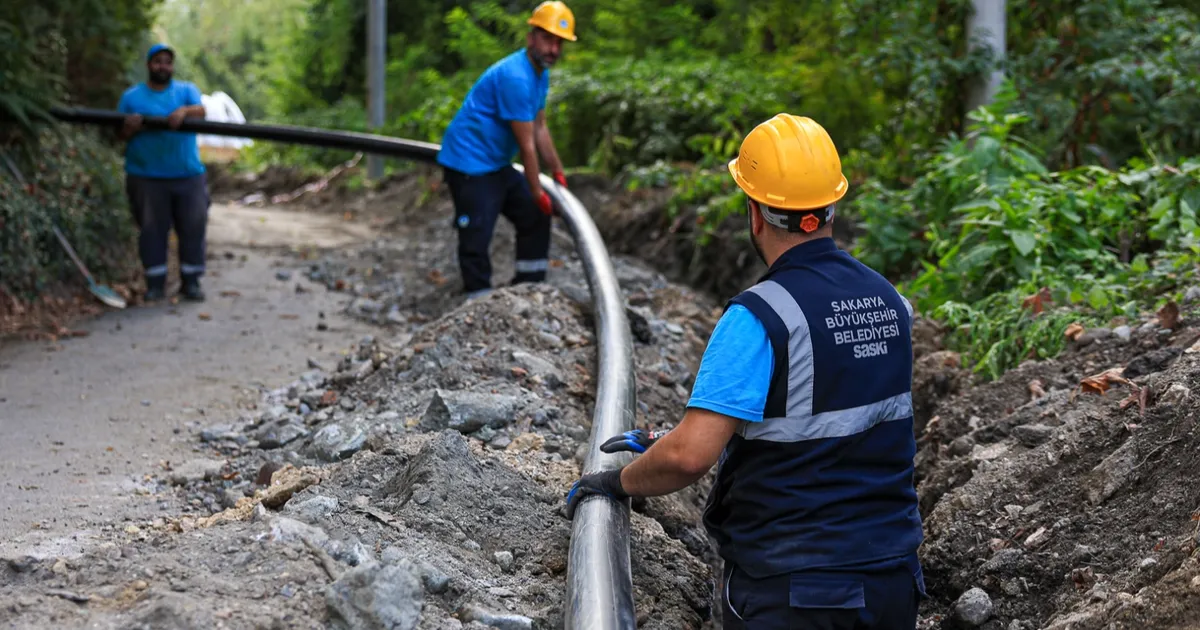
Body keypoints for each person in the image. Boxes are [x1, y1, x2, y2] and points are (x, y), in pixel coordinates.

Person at [566, 114, 926, 629]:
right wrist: (675, 439)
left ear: (755, 213)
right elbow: (830, 420)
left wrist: (617, 483)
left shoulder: (760, 316)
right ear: (831, 208)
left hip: (794, 592)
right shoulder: (891, 303)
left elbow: (691, 457)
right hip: (891, 584)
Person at [436, 1, 575, 299]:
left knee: (535, 216)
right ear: (531, 38)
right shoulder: (516, 77)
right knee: (477, 231)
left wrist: (558, 172)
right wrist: (538, 192)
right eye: (548, 39)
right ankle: (478, 300)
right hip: (470, 163)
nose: (553, 49)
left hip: (496, 162)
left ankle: (529, 286)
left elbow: (540, 128)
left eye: (559, 43)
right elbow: (526, 145)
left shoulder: (540, 74)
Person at [117, 43, 210, 302]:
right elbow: (118, 134)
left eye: (167, 62)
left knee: (193, 226)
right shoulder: (132, 97)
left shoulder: (186, 91)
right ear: (149, 65)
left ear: (172, 66)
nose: (163, 66)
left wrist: (184, 111)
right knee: (151, 230)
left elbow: (202, 111)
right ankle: (155, 283)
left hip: (187, 173)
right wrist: (131, 128)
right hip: (146, 175)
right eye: (158, 61)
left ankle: (191, 281)